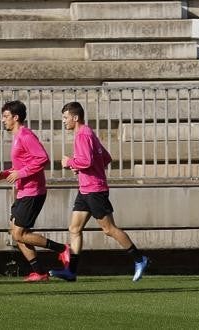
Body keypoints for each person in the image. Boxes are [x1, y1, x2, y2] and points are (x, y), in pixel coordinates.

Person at [50, 101, 150, 283]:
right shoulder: (88, 132)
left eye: (65, 117)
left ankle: (139, 259)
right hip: (85, 189)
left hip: (94, 190)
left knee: (109, 229)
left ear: (75, 117)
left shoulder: (82, 135)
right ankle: (71, 271)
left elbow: (87, 161)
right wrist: (83, 168)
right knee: (74, 228)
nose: (63, 121)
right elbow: (105, 158)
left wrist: (70, 163)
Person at [0, 100, 70, 282]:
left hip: (33, 191)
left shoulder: (25, 135)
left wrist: (20, 173)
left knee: (19, 234)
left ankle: (62, 249)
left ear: (16, 117)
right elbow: (24, 163)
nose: (3, 120)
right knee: (16, 233)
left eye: (6, 116)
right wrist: (6, 173)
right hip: (23, 191)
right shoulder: (17, 136)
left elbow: (42, 158)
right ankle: (39, 272)